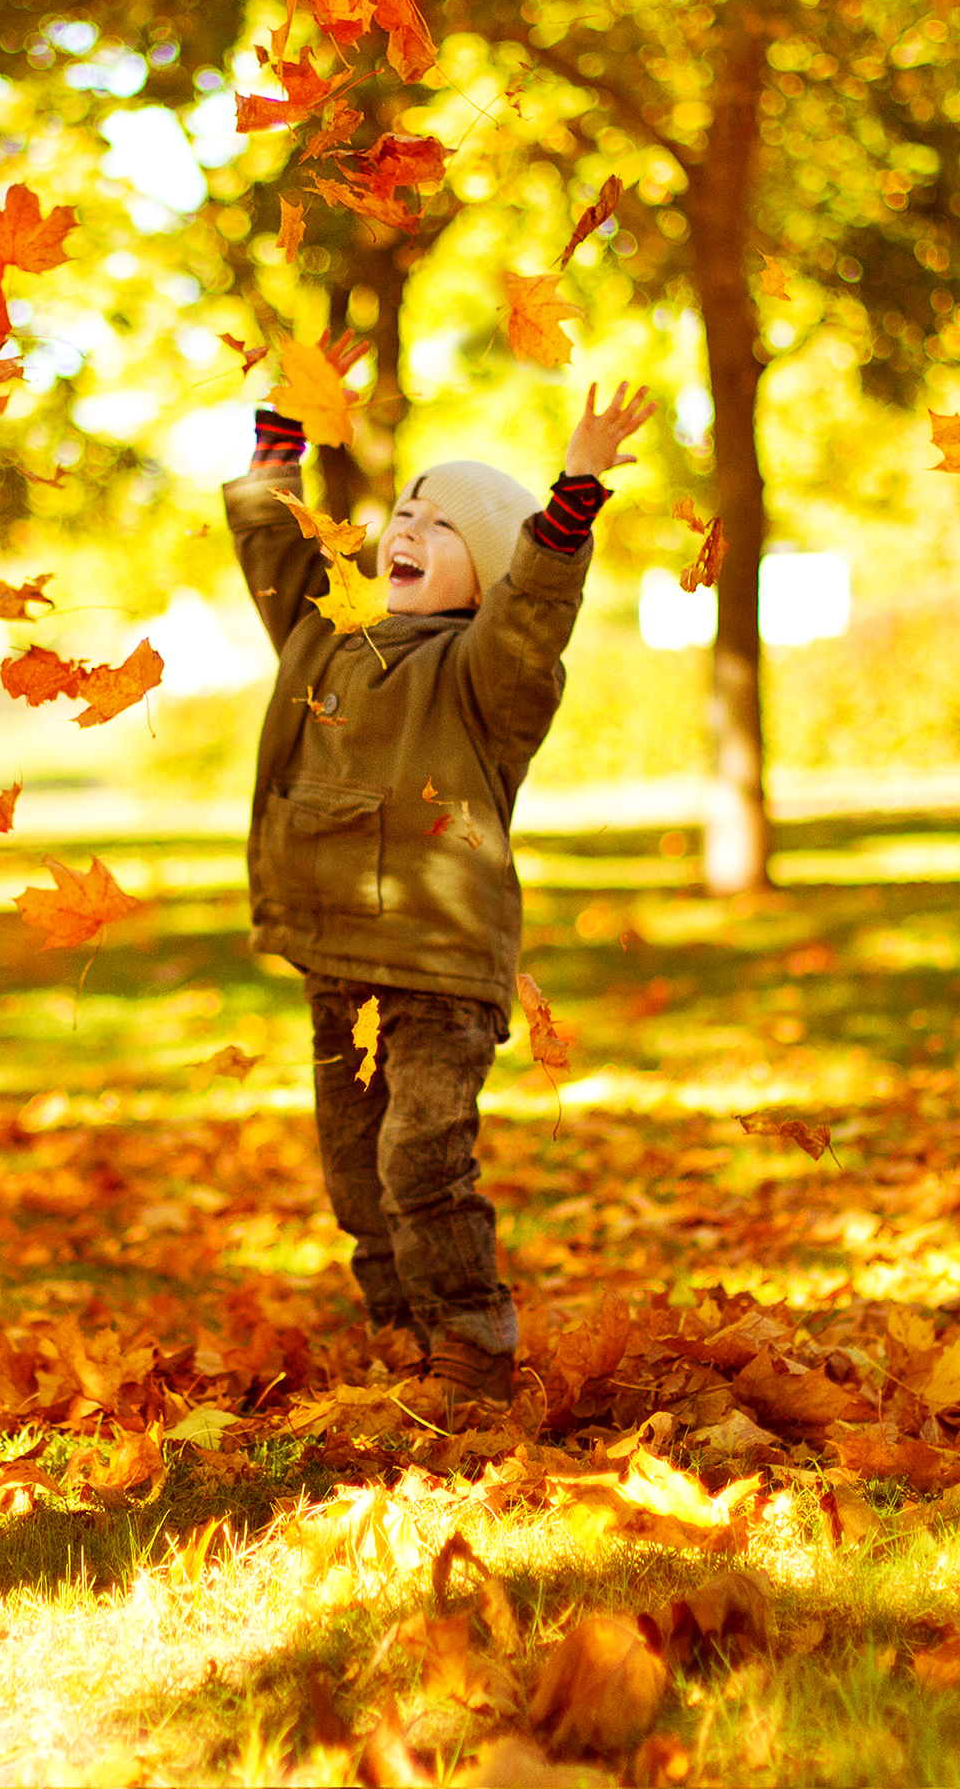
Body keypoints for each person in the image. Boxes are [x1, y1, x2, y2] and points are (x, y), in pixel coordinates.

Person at [227, 361, 659, 1415]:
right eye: (405, 509)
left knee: (420, 1157)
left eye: (442, 522)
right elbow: (277, 552)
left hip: (436, 968)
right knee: (356, 1175)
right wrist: (285, 437)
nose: (408, 525)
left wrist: (574, 496)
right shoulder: (328, 636)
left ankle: (470, 1345)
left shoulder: (487, 678)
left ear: (487, 576)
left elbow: (537, 607)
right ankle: (399, 1328)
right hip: (340, 963)